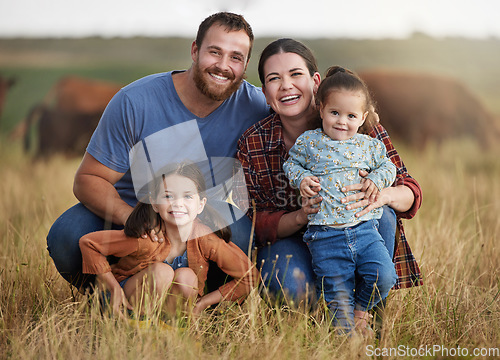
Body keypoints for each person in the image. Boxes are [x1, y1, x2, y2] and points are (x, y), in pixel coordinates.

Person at [46, 12, 269, 292]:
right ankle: (111, 294)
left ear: (246, 64)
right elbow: (88, 179)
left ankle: (195, 299)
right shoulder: (135, 101)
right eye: (215, 52)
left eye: (236, 57)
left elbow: (307, 114)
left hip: (199, 215)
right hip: (135, 212)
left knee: (241, 237)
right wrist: (135, 221)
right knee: (67, 234)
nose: (223, 66)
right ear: (194, 50)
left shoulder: (256, 105)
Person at [236, 38, 422, 308]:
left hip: (357, 229)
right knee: (291, 287)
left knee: (385, 216)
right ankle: (320, 306)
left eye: (296, 74)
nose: (287, 85)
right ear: (265, 92)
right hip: (294, 240)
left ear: (315, 81)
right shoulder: (253, 142)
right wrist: (302, 215)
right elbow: (257, 223)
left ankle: (366, 309)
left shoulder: (357, 125)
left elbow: (410, 192)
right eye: (275, 79)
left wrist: (381, 193)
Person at [283, 65, 398, 333]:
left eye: (351, 115)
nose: (341, 121)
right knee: (337, 292)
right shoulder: (310, 142)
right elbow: (291, 165)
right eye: (334, 113)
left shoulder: (369, 145)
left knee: (384, 275)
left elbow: (389, 167)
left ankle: (362, 311)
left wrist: (375, 180)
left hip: (365, 230)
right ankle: (346, 339)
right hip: (325, 236)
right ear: (321, 109)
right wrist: (301, 179)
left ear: (363, 117)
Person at [80, 161, 258, 318]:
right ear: (154, 203)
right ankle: (137, 323)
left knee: (187, 276)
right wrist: (113, 287)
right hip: (128, 302)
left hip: (171, 309)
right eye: (168, 196)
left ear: (201, 204)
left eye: (187, 196)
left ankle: (170, 326)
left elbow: (249, 275)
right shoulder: (147, 236)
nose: (177, 203)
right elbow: (89, 244)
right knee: (162, 272)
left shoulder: (205, 239)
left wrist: (204, 302)